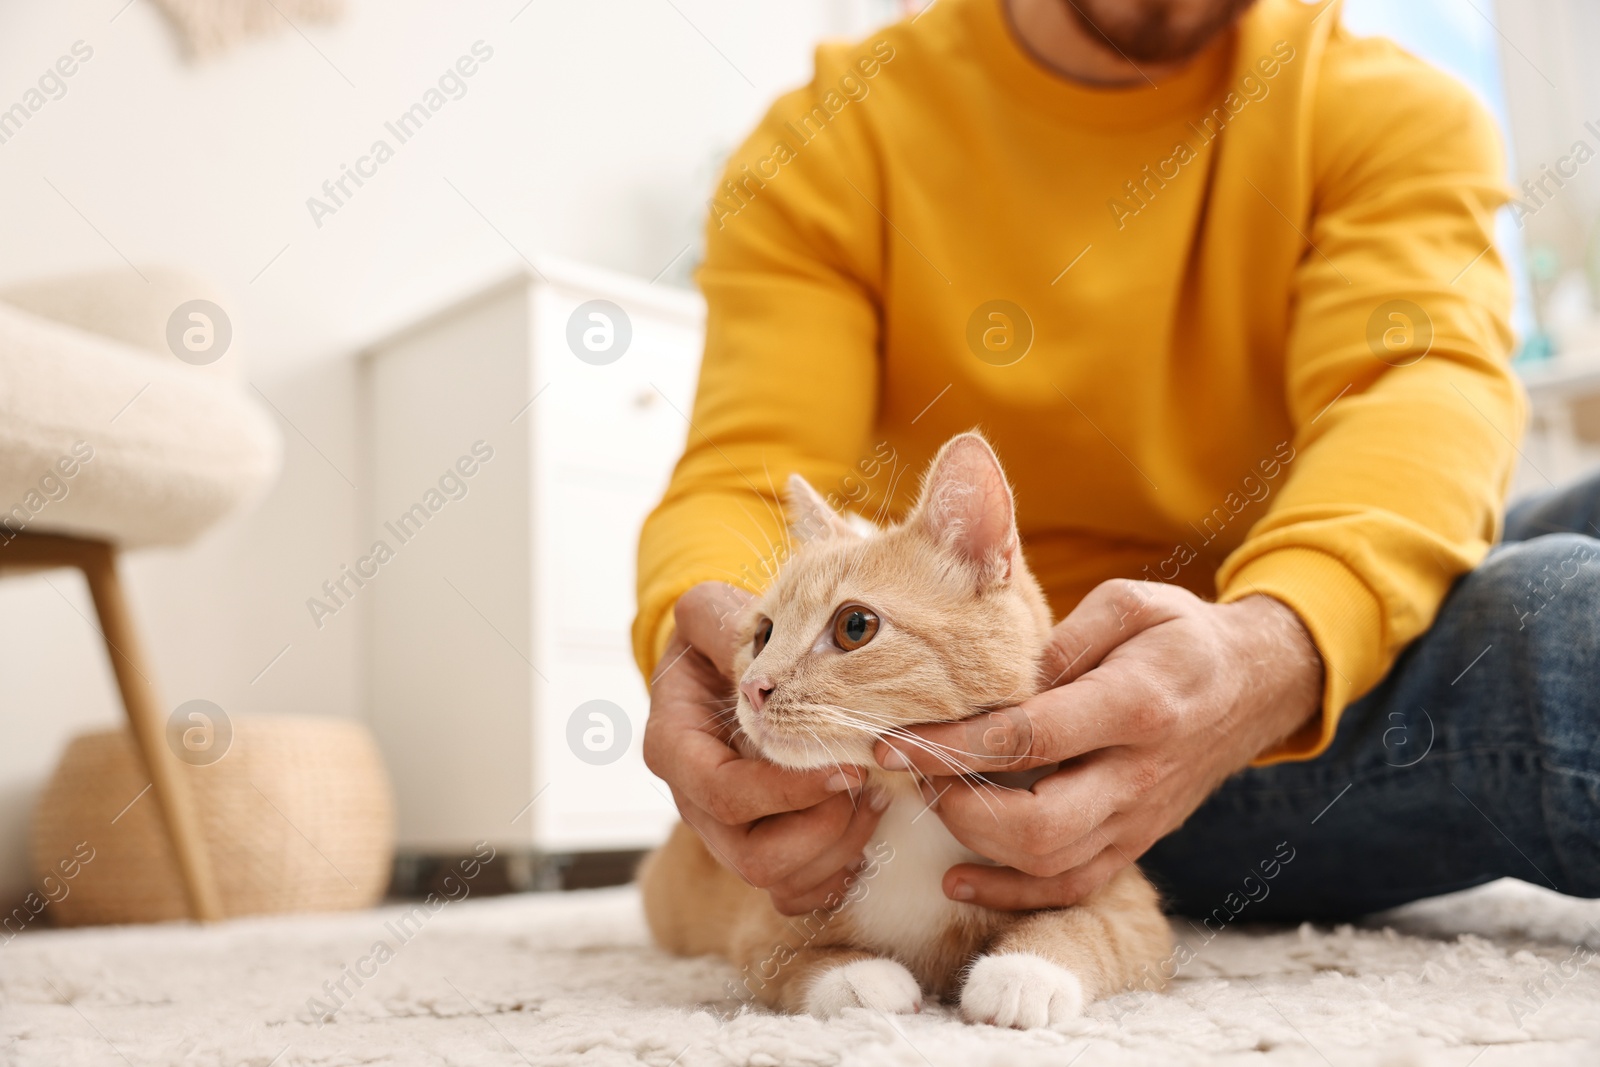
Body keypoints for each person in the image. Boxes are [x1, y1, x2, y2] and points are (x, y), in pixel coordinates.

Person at [633, 0, 1600, 924]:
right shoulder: (830, 139)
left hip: (1275, 631)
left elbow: (1416, 396)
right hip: (1068, 725)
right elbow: (752, 477)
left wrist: (1273, 649)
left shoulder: (1394, 109)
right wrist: (705, 639)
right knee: (1559, 629)